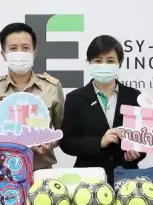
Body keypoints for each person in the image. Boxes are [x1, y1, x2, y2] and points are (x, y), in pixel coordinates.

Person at [0, 22, 64, 170]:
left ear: (34, 52)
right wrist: (1, 142)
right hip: (2, 172)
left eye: (26, 48)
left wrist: (51, 142)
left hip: (40, 171)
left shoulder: (52, 87)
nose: (20, 53)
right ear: (4, 54)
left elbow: (63, 130)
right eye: (13, 48)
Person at [60, 35, 145, 183]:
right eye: (98, 61)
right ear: (89, 62)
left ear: (120, 63)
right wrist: (99, 142)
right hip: (88, 180)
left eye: (110, 61)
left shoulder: (134, 96)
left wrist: (136, 153)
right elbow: (67, 142)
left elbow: (144, 139)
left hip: (127, 180)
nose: (104, 65)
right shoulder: (75, 98)